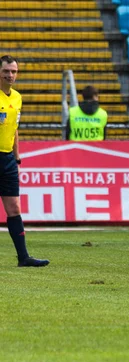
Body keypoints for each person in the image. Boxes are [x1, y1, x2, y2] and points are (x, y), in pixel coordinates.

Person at [0, 55, 49, 267]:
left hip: (8, 159)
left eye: (13, 71)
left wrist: (17, 157)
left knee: (14, 208)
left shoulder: (17, 98)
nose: (10, 75)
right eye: (6, 71)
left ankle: (23, 257)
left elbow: (14, 129)